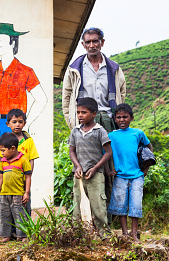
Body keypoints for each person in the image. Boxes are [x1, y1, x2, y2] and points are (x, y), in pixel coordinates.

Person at [62, 27, 126, 222]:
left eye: (95, 41)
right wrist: (73, 123)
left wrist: (116, 120)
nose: (91, 45)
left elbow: (121, 94)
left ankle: (108, 218)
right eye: (87, 42)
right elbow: (66, 98)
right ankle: (83, 218)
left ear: (102, 43)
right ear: (83, 44)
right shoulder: (75, 68)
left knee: (109, 167)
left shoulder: (113, 68)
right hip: (83, 122)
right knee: (83, 166)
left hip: (107, 120)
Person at [108, 103, 153, 242]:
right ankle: (125, 233)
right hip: (120, 176)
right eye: (119, 117)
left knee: (135, 204)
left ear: (131, 118)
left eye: (125, 117)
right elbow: (106, 154)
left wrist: (146, 169)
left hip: (137, 176)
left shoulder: (138, 133)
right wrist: (109, 170)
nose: (122, 120)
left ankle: (134, 233)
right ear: (115, 119)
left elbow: (149, 148)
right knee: (120, 205)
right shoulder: (111, 136)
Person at [68, 97, 113, 239]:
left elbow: (108, 152)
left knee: (98, 207)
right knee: (77, 206)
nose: (80, 115)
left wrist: (95, 168)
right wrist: (78, 166)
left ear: (94, 114)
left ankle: (104, 235)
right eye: (78, 112)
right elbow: (72, 151)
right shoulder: (75, 131)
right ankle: (78, 234)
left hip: (96, 175)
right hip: (79, 176)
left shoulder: (100, 131)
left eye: (84, 112)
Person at [0, 132, 32, 242]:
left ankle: (23, 236)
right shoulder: (2, 161)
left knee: (19, 214)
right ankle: (6, 235)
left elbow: (28, 177)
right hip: (4, 194)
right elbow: (0, 177)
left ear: (13, 148)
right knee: (4, 215)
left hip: (18, 194)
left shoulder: (23, 160)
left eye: (3, 151)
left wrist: (26, 192)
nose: (1, 153)